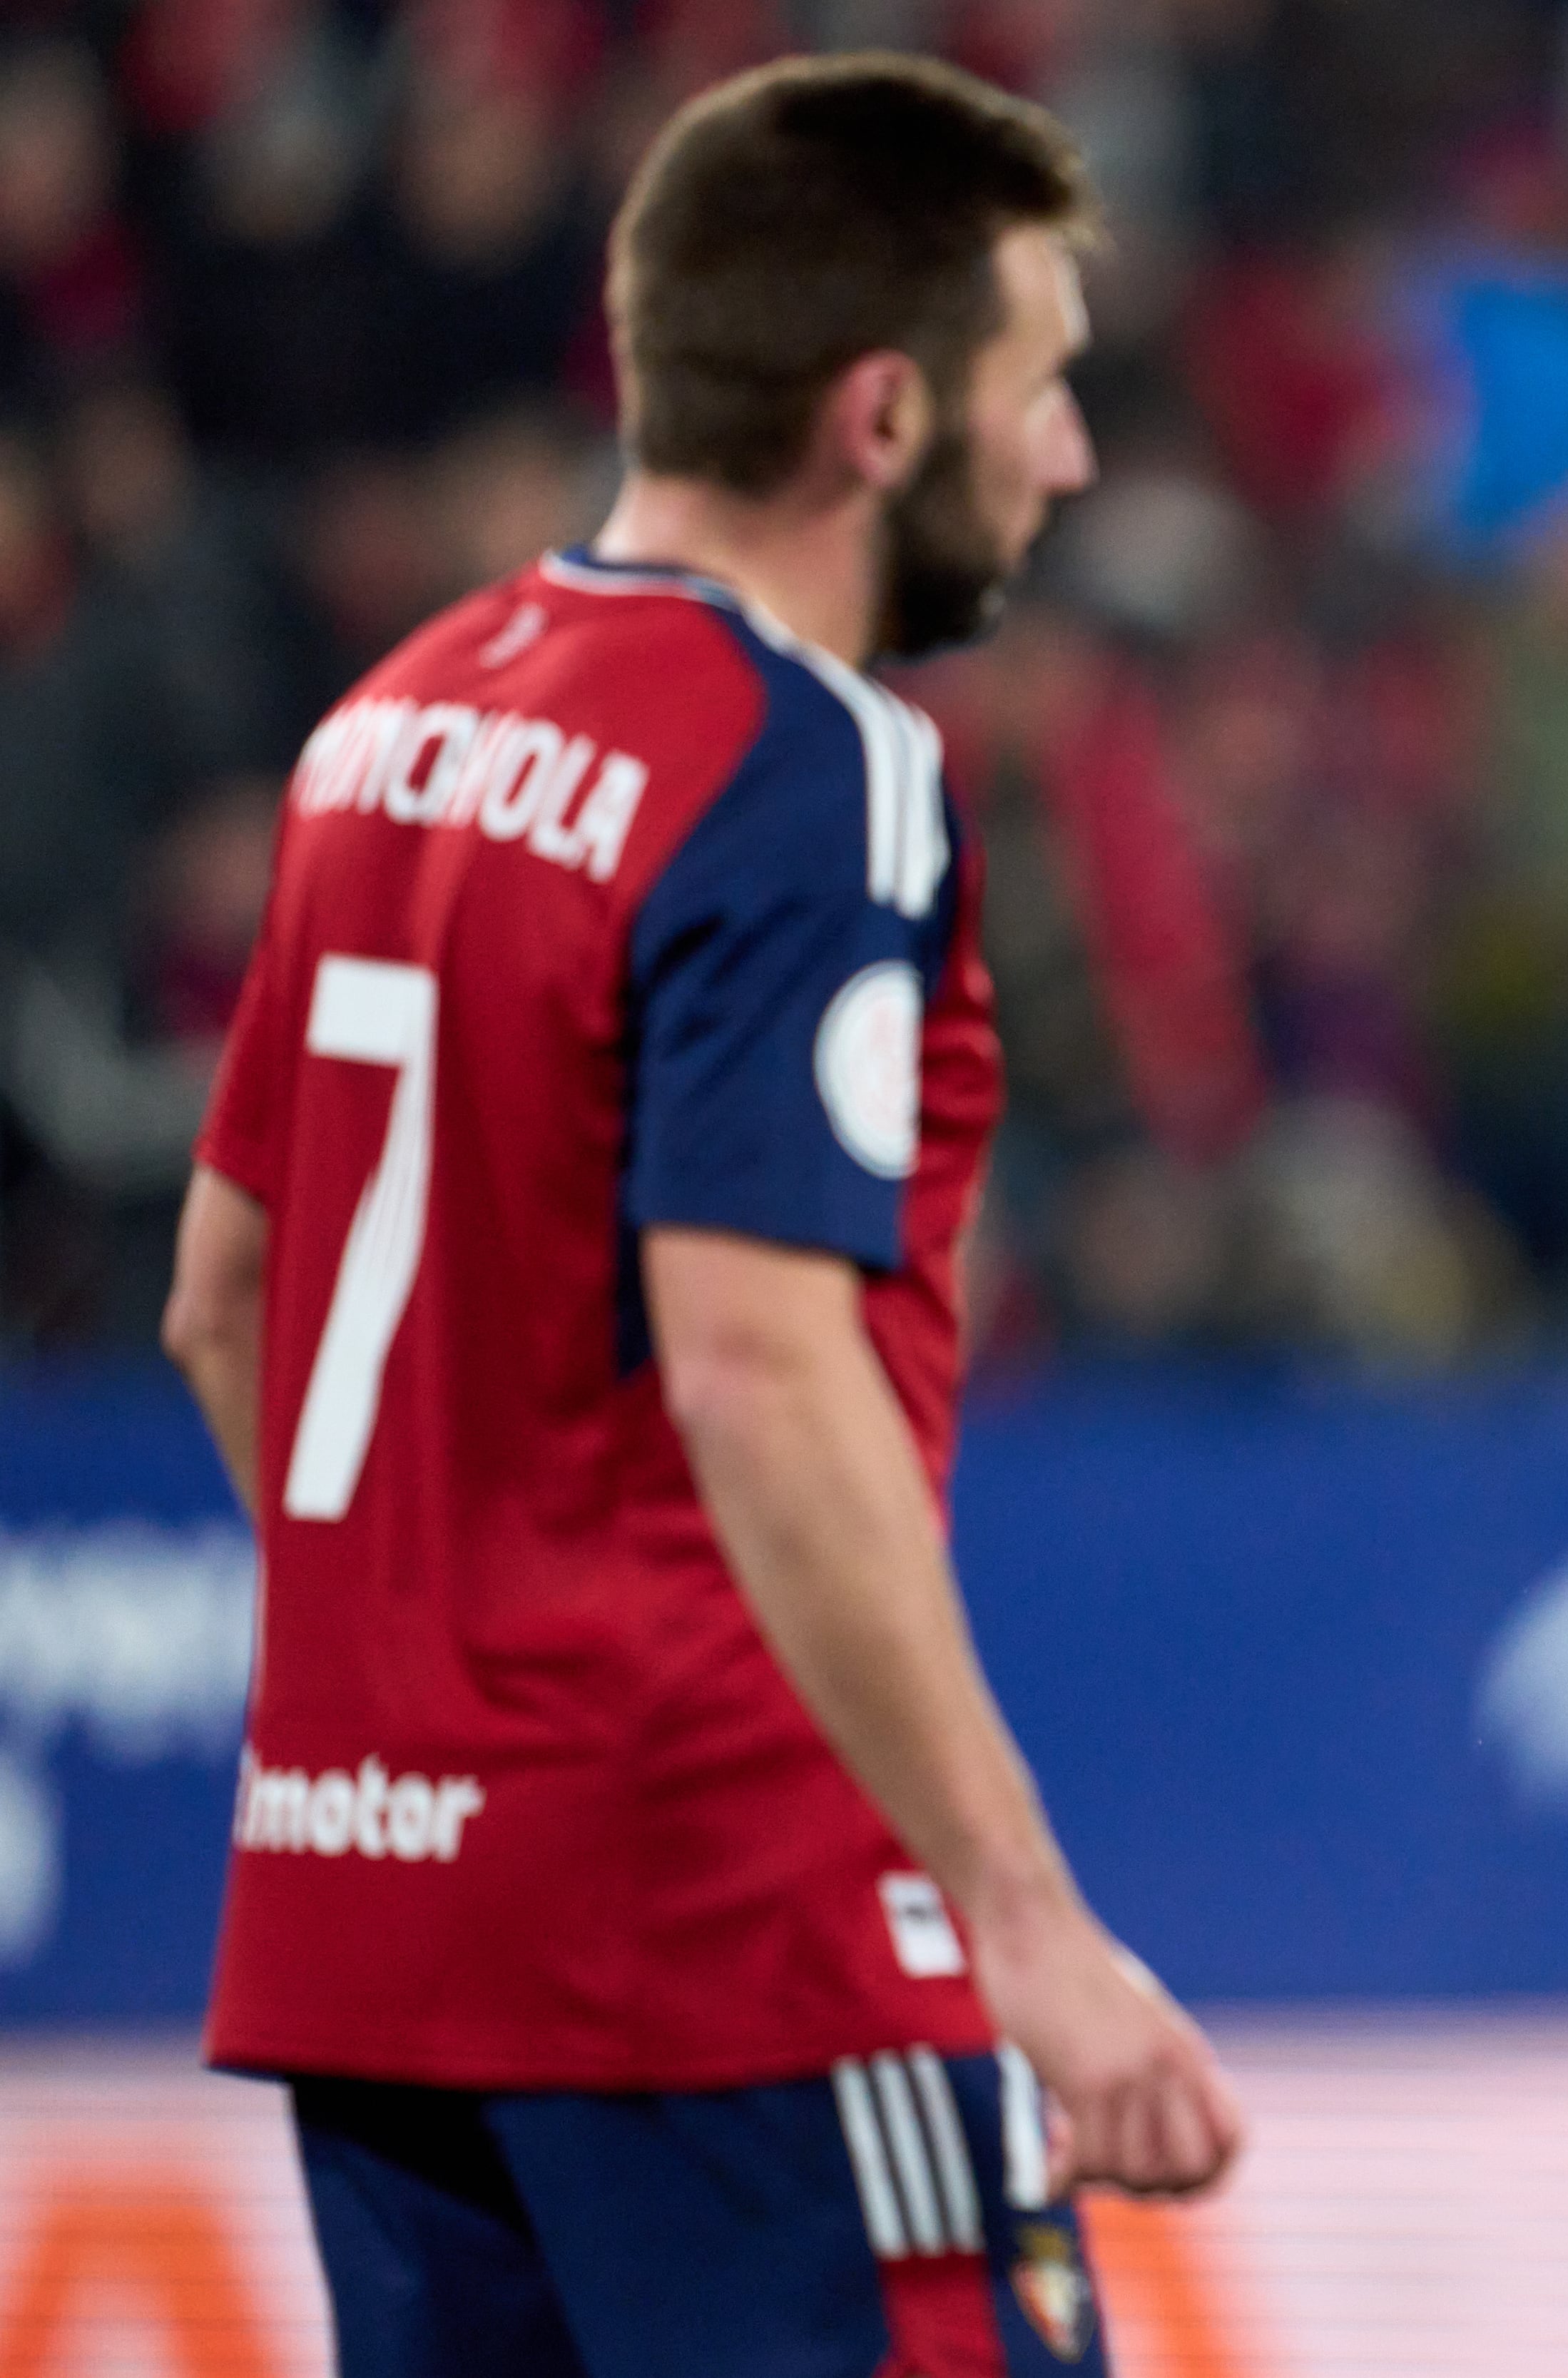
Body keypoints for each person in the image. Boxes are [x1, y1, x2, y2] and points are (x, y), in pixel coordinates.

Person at [158, 55, 1241, 2377]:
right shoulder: (809, 764)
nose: (1065, 456)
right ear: (879, 417)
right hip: (713, 1929)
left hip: (370, 1927)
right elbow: (760, 1359)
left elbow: (220, 1305)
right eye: (1039, 389)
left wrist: (436, 1711)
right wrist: (1025, 1923)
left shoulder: (381, 732)